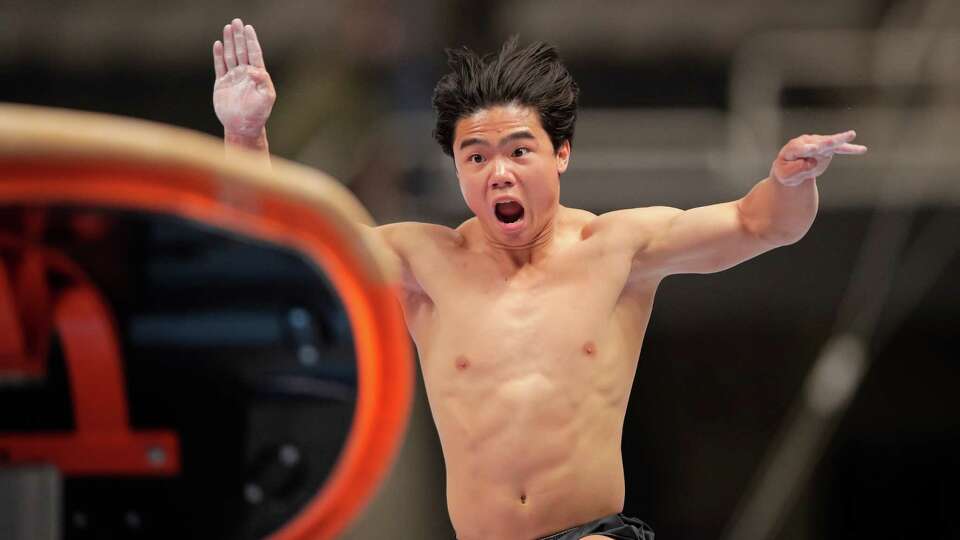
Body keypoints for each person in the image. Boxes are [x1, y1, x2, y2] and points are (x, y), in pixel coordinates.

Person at [211, 18, 867, 540]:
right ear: (459, 171)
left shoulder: (617, 249)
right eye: (476, 156)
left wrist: (788, 181)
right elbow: (286, 250)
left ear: (561, 154)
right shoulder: (423, 261)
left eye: (518, 151)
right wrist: (246, 135)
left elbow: (759, 225)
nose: (498, 172)